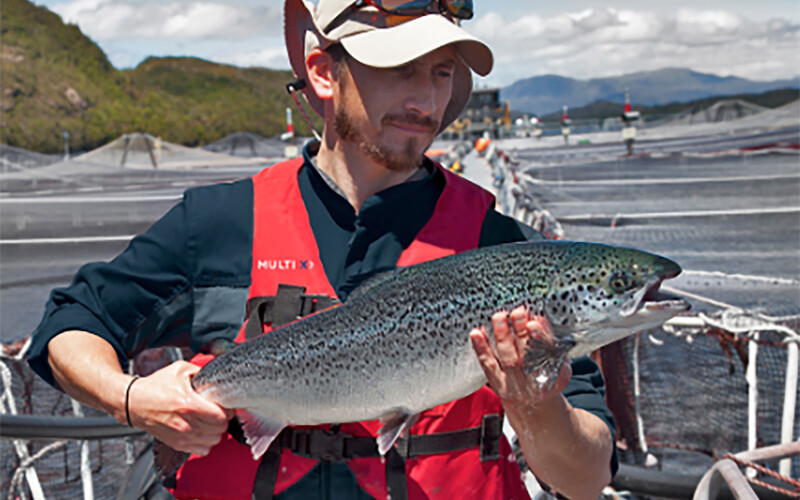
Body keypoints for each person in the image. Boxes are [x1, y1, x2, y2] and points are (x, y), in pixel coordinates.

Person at [27, 0, 618, 498]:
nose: (426, 101)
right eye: (401, 69)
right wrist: (132, 398)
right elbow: (73, 325)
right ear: (323, 72)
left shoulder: (510, 252)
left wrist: (536, 407)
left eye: (442, 73)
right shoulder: (218, 223)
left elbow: (587, 479)